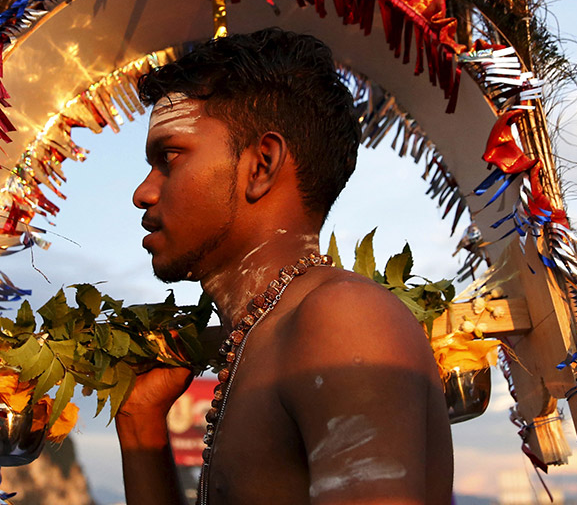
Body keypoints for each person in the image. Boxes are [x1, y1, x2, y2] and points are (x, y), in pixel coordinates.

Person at [117, 28, 453, 505]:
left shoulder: (343, 318)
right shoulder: (265, 335)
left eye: (169, 158)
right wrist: (140, 425)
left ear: (261, 164)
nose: (143, 192)